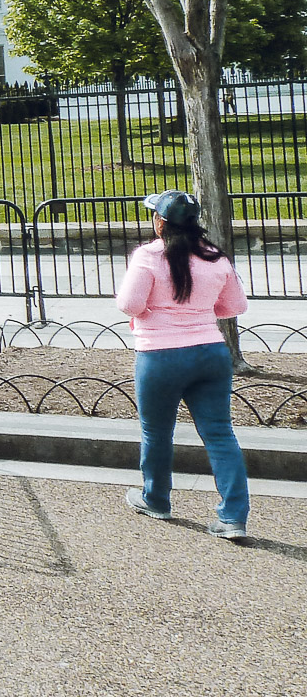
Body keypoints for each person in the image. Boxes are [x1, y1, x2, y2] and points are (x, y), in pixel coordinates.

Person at [115, 190, 251, 540]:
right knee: (220, 433)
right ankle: (233, 516)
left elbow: (130, 304)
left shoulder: (147, 256)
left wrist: (155, 312)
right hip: (211, 352)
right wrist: (200, 313)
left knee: (157, 432)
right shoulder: (215, 257)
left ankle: (156, 499)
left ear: (160, 222)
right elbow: (235, 306)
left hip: (160, 355)